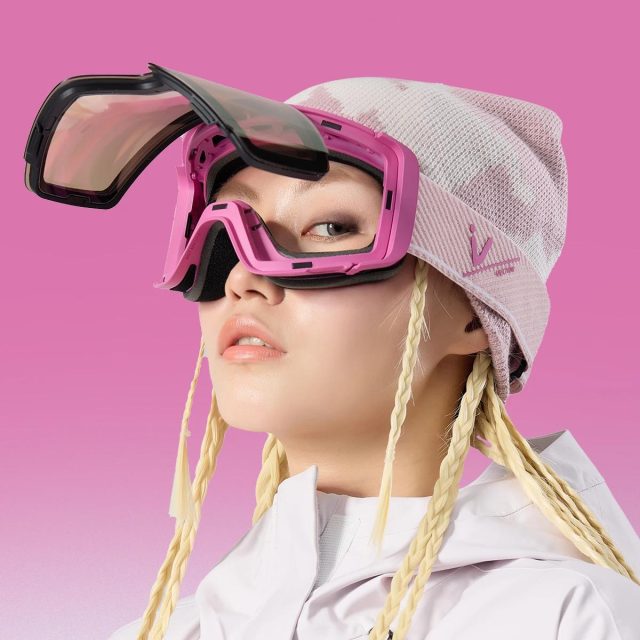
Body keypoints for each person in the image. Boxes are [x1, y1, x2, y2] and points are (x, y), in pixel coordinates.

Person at [23, 67, 640, 640]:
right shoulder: (172, 630)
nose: (243, 278)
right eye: (226, 230)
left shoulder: (560, 617)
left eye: (330, 227)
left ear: (478, 315)